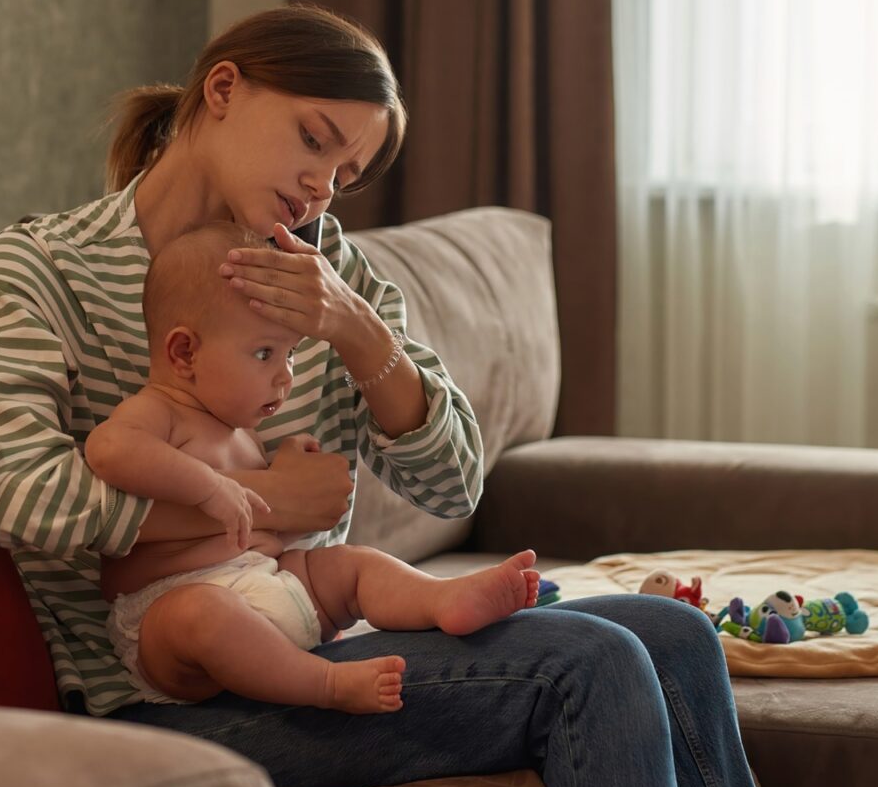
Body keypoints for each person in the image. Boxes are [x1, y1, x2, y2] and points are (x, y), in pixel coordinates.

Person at [0, 4, 765, 787]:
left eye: (346, 175)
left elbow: (455, 487)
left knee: (678, 636)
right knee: (594, 661)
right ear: (224, 89)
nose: (321, 188)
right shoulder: (45, 268)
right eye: (314, 140)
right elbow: (20, 498)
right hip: (164, 702)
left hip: (309, 634)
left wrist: (351, 325)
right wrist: (270, 503)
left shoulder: (331, 268)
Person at [85, 220, 543, 714]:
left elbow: (266, 530)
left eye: (289, 354)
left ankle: (440, 599)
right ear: (184, 351)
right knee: (204, 614)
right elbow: (108, 449)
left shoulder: (238, 429)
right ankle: (327, 683)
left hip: (270, 584)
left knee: (351, 566)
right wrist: (207, 486)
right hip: (171, 614)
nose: (284, 377)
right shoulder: (160, 411)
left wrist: (281, 467)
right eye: (264, 353)